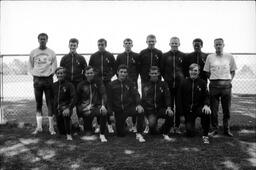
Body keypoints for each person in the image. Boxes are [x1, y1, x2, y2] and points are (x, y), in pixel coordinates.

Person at [203, 38, 237, 137]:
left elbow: (233, 71)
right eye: (216, 44)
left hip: (226, 86)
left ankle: (226, 129)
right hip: (214, 85)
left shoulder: (229, 56)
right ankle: (214, 129)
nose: (218, 46)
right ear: (214, 46)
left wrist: (229, 81)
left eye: (220, 44)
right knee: (214, 110)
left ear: (223, 45)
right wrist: (213, 80)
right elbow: (206, 71)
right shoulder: (210, 57)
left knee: (227, 110)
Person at [28, 33, 57, 135]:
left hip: (48, 80)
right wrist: (35, 75)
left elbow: (54, 66)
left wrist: (49, 74)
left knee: (50, 104)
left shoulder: (51, 52)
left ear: (47, 40)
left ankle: (51, 128)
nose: (42, 40)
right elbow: (30, 66)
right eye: (41, 39)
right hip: (37, 80)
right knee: (38, 104)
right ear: (38, 40)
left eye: (44, 39)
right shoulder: (33, 52)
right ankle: (39, 127)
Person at [108, 65, 146, 142]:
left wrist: (138, 104)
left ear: (127, 73)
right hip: (119, 110)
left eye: (125, 72)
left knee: (140, 111)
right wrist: (111, 113)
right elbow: (109, 100)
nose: (123, 74)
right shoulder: (112, 84)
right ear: (117, 72)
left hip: (129, 108)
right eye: (121, 72)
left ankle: (139, 133)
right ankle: (122, 124)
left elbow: (136, 94)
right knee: (121, 134)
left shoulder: (130, 83)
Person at [89, 38, 116, 133]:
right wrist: (96, 77)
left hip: (107, 82)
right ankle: (99, 124)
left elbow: (114, 68)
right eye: (99, 44)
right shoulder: (93, 56)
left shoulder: (110, 56)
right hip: (97, 82)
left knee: (107, 102)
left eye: (102, 44)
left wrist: (108, 76)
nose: (100, 46)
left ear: (105, 45)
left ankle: (109, 124)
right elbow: (90, 68)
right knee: (97, 102)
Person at [141, 66, 174, 141]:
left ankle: (165, 132)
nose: (154, 75)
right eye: (152, 73)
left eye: (155, 73)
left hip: (161, 109)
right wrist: (145, 116)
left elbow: (167, 96)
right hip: (151, 111)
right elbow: (144, 100)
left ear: (158, 73)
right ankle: (153, 127)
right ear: (149, 74)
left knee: (170, 114)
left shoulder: (163, 84)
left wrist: (169, 108)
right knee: (153, 132)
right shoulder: (145, 85)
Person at [180, 63, 211, 144]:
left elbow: (207, 96)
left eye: (195, 70)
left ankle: (205, 135)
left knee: (206, 112)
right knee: (190, 134)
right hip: (188, 110)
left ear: (199, 72)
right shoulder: (183, 82)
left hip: (198, 108)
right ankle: (190, 128)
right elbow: (179, 99)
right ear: (189, 71)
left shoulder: (203, 83)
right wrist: (181, 114)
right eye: (191, 70)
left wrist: (206, 105)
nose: (193, 72)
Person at [160, 37, 186, 134]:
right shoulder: (165, 55)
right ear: (169, 44)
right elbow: (162, 69)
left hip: (180, 85)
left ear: (179, 44)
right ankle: (169, 126)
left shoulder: (183, 55)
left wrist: (182, 79)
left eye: (176, 43)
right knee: (169, 105)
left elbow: (185, 70)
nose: (174, 45)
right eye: (173, 43)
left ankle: (177, 126)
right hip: (168, 85)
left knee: (179, 105)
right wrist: (167, 78)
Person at [76, 66, 108, 142]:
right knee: (88, 134)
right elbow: (77, 100)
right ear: (85, 74)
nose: (89, 74)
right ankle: (90, 127)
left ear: (94, 73)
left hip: (96, 107)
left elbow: (104, 94)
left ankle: (102, 134)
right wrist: (80, 113)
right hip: (86, 109)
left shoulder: (99, 82)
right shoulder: (81, 84)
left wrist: (103, 106)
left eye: (91, 73)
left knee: (103, 112)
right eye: (88, 73)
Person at [60, 38, 87, 124]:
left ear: (77, 46)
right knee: (68, 102)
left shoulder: (81, 58)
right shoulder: (64, 58)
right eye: (71, 45)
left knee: (79, 103)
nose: (72, 47)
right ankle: (69, 123)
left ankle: (81, 123)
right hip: (68, 84)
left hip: (78, 84)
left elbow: (85, 70)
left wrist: (82, 81)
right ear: (68, 45)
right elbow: (61, 71)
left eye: (74, 45)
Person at [116, 38, 140, 133]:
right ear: (123, 45)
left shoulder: (136, 56)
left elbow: (139, 69)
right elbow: (116, 69)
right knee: (123, 100)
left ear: (132, 45)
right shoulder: (120, 56)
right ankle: (123, 121)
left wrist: (133, 78)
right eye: (126, 43)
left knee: (134, 102)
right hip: (122, 83)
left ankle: (134, 125)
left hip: (132, 83)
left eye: (129, 43)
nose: (128, 44)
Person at [52, 67, 76, 140]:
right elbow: (51, 99)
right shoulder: (54, 85)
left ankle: (69, 135)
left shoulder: (69, 85)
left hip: (66, 107)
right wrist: (53, 112)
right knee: (62, 132)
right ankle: (71, 127)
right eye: (58, 73)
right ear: (56, 75)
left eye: (61, 73)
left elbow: (74, 98)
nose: (60, 75)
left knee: (65, 115)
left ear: (64, 74)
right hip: (57, 109)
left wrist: (69, 108)